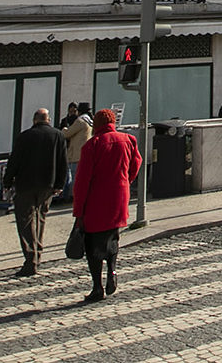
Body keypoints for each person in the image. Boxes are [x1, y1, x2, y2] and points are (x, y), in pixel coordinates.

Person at [72, 109, 142, 303]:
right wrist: (126, 182)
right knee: (112, 238)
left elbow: (82, 181)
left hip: (96, 202)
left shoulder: (92, 145)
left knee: (92, 244)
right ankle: (112, 270)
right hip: (119, 198)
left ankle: (97, 286)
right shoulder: (127, 140)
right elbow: (136, 163)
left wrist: (78, 211)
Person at [2, 107, 68, 277]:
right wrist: (60, 184)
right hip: (48, 184)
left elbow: (14, 160)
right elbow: (63, 161)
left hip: (26, 184)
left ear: (34, 120)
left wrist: (7, 181)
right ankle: (37, 254)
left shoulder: (24, 136)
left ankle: (31, 256)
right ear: (49, 119)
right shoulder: (58, 135)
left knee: (25, 220)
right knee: (40, 218)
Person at [59, 102, 91, 204]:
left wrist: (64, 129)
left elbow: (67, 133)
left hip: (76, 153)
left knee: (73, 176)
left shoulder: (80, 121)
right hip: (85, 152)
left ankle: (72, 196)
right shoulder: (90, 121)